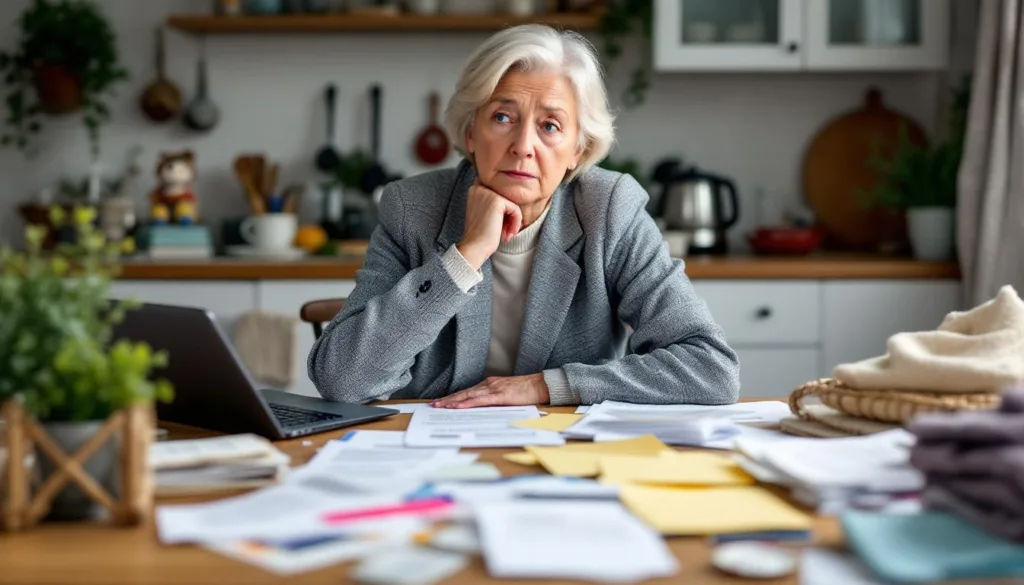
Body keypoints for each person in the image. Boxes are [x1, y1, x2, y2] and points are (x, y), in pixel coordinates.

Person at [308, 24, 740, 408]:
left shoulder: (609, 211)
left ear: (579, 150)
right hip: (431, 444)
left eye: (550, 126)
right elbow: (342, 380)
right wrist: (464, 257)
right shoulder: (413, 209)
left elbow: (711, 368)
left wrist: (548, 386)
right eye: (502, 117)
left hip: (566, 448)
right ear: (471, 132)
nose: (523, 146)